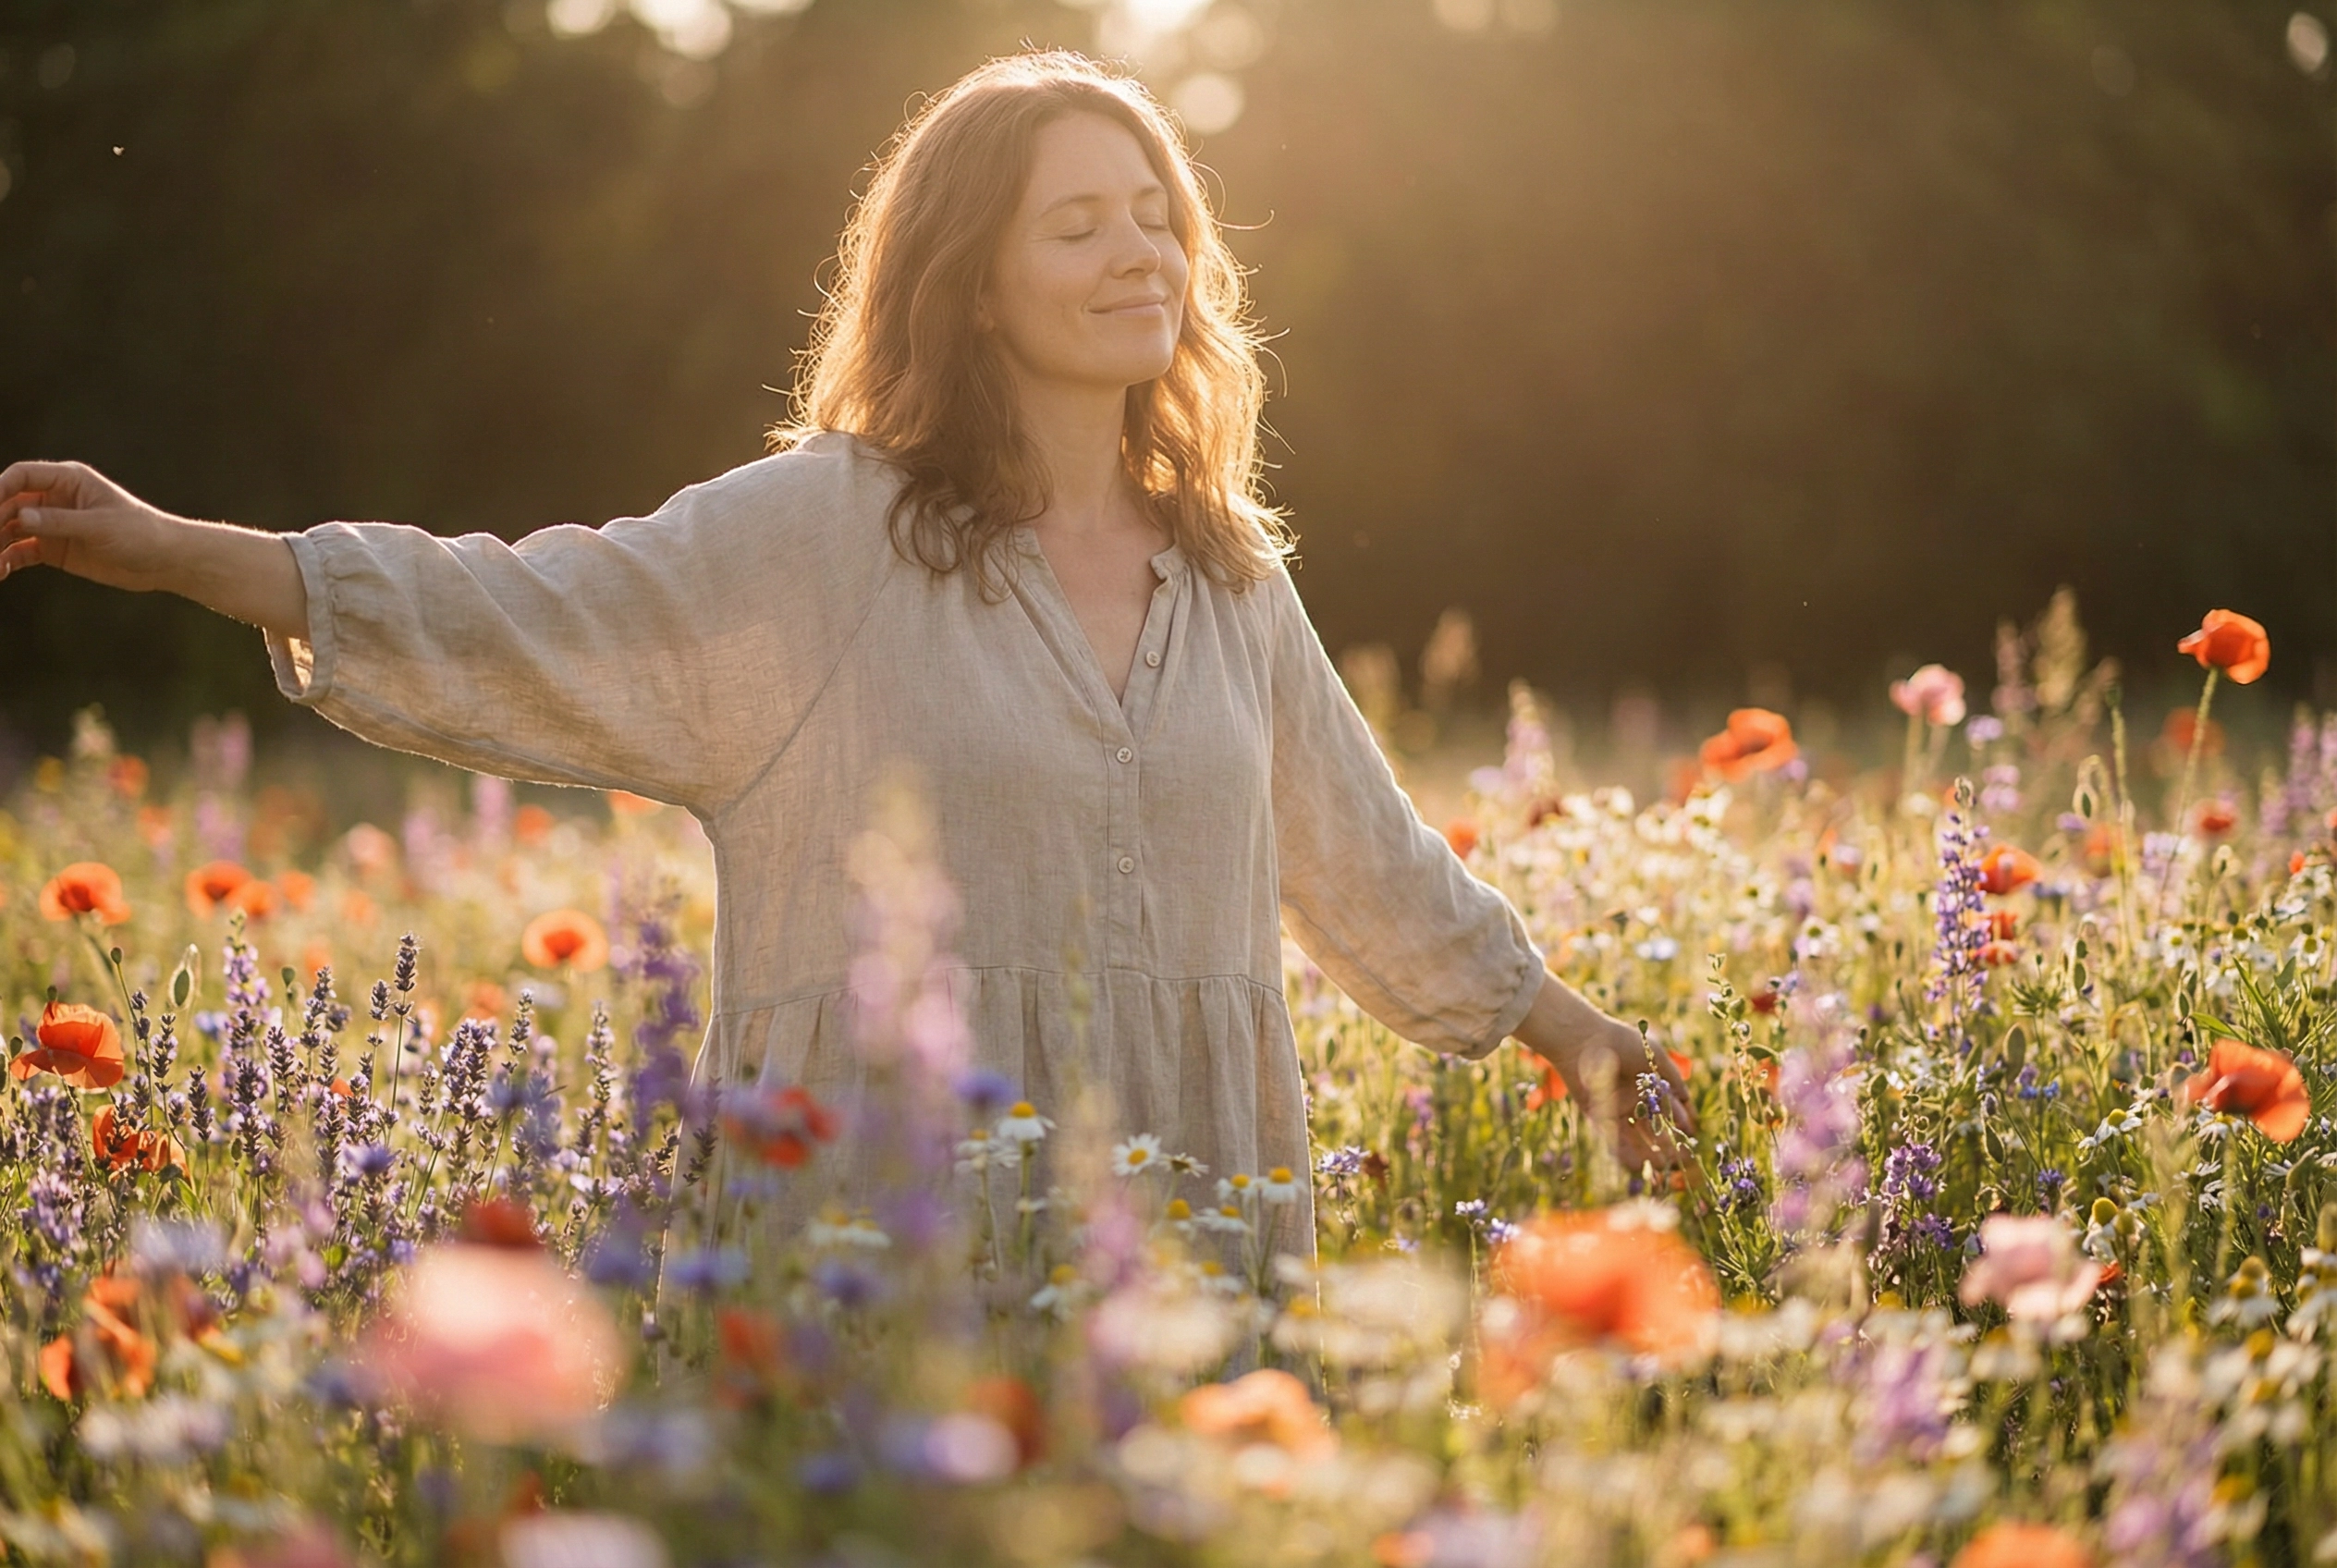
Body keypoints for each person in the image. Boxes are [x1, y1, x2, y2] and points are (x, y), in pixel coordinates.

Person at [0, 50, 1686, 1243]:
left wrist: (1573, 1034)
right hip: (891, 1238)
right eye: (1076, 223)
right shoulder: (829, 533)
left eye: (1155, 213)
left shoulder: (1230, 573)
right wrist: (182, 553)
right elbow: (524, 604)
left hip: (1185, 1218)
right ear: (970, 281)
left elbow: (1366, 859)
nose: (1139, 252)